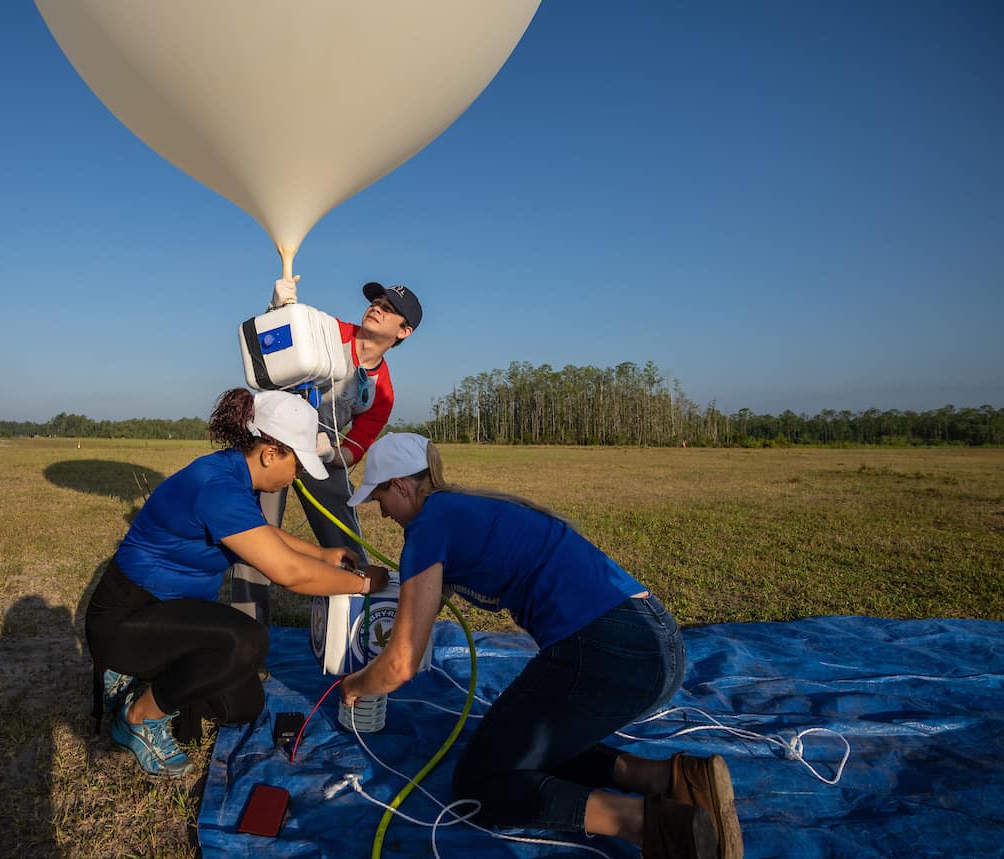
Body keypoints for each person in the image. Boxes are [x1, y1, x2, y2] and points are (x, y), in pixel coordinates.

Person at [339, 433, 744, 859]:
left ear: (402, 485)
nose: (382, 513)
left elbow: (401, 663)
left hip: (608, 653)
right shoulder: (464, 509)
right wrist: (371, 579)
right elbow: (422, 603)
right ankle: (675, 779)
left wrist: (355, 686)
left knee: (480, 783)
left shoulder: (427, 529)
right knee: (517, 744)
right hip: (656, 642)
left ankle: (656, 826)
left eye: (380, 497)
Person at [84, 389, 389, 778]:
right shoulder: (218, 488)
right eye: (297, 465)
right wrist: (361, 584)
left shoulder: (233, 473)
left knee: (243, 705)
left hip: (170, 615)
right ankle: (137, 717)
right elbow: (288, 574)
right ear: (270, 453)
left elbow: (260, 533)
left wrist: (321, 554)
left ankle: (145, 679)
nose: (297, 476)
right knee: (246, 641)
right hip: (128, 616)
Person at [229, 276, 423, 636]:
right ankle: (246, 643)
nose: (377, 308)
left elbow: (353, 451)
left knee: (346, 542)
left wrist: (327, 450)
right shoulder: (328, 330)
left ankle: (358, 633)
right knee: (255, 540)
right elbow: (273, 350)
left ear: (404, 331)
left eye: (389, 309)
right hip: (274, 447)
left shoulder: (382, 394)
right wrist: (276, 310)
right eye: (376, 302)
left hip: (321, 458)